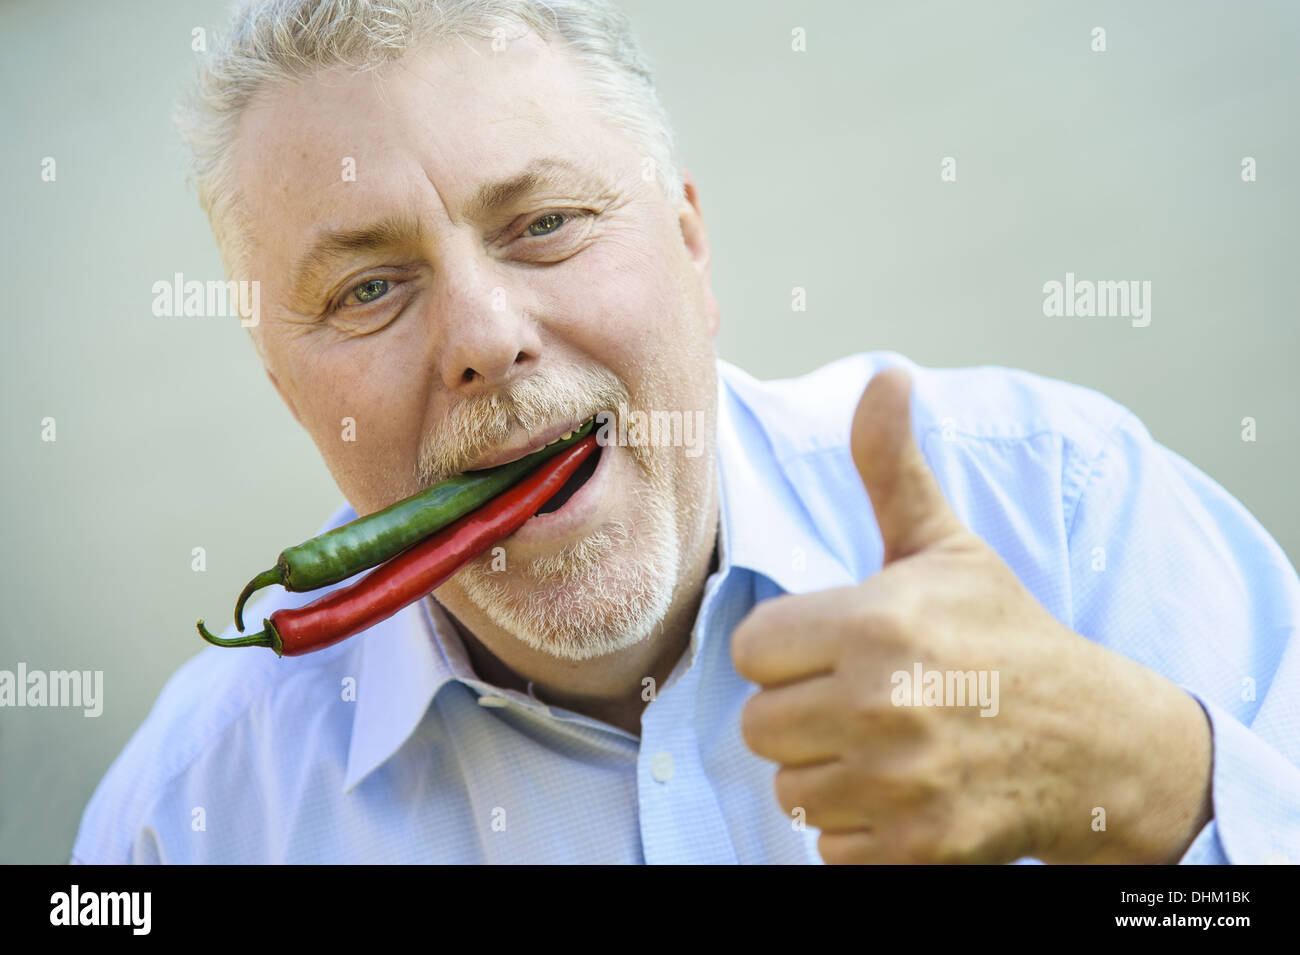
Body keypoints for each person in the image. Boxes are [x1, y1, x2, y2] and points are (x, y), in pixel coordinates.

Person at [72, 0, 1299, 864]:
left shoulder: (1068, 513)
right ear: (289, 391)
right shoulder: (181, 826)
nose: (485, 336)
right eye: (367, 290)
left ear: (692, 246)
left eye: (545, 221)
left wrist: (1151, 791)